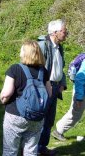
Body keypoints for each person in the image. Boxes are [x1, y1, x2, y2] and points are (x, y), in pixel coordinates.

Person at [0, 41, 52, 156]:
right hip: (37, 117)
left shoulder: (15, 69)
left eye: (21, 50)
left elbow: (6, 93)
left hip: (15, 115)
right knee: (31, 150)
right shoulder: (43, 71)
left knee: (10, 150)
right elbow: (49, 93)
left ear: (25, 53)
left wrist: (2, 101)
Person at [37, 19, 68, 155]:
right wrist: (45, 84)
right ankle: (33, 149)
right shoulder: (43, 45)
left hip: (55, 88)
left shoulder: (59, 47)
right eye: (63, 31)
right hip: (44, 87)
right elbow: (37, 67)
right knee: (39, 119)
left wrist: (63, 84)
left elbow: (61, 67)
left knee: (49, 120)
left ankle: (42, 147)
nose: (66, 33)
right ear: (55, 32)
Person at [52, 57, 85, 141]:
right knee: (75, 114)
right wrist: (79, 97)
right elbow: (80, 78)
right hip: (81, 91)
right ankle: (58, 131)